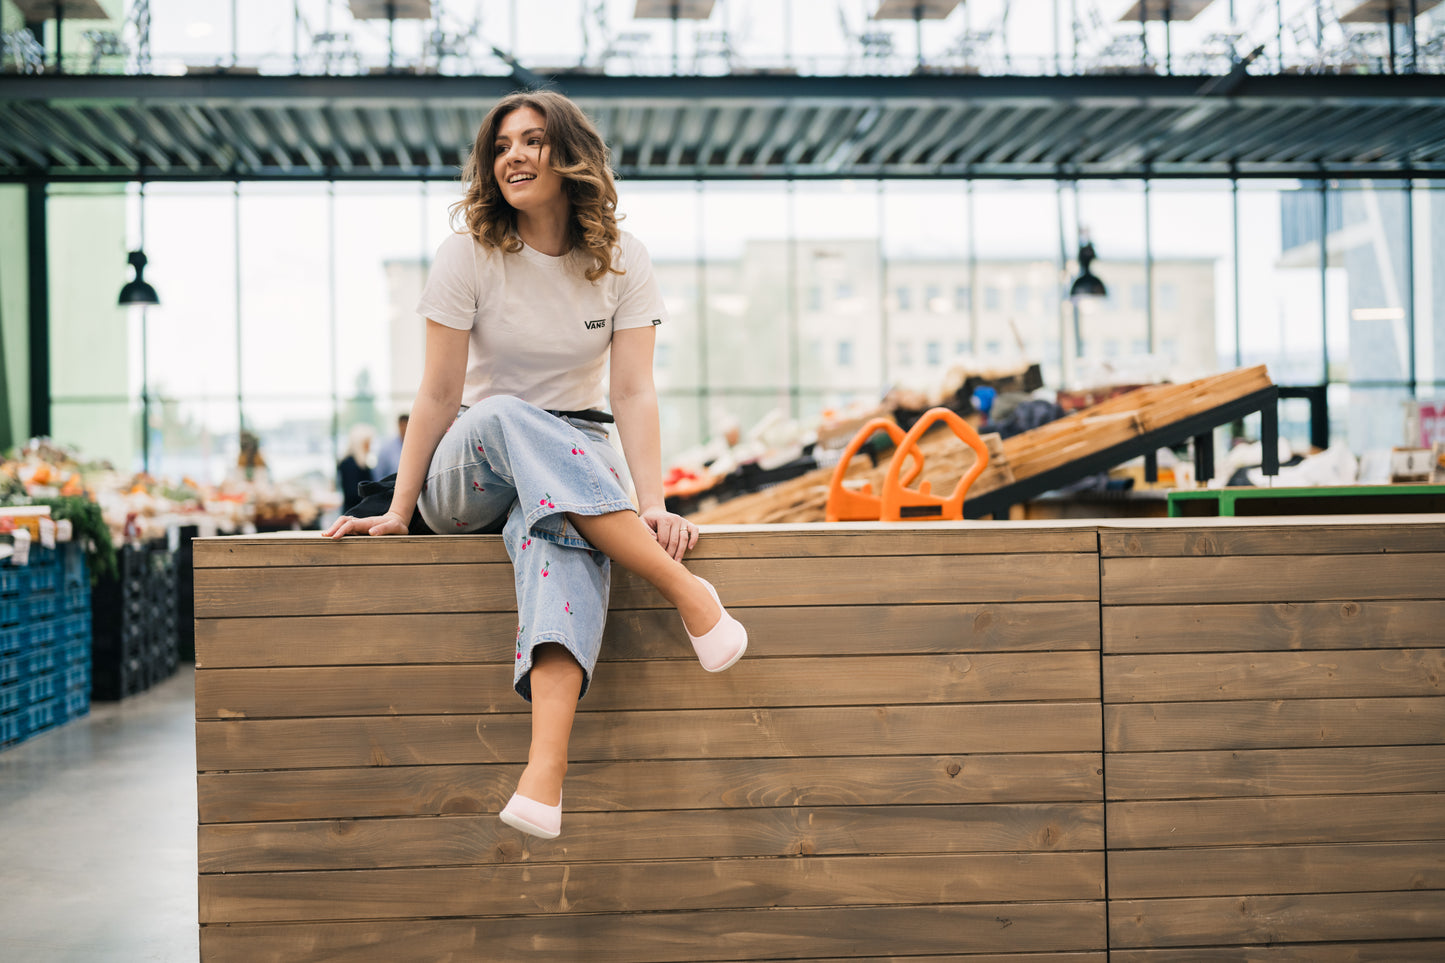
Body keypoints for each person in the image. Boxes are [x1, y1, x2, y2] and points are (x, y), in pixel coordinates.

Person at [323, 90, 747, 841]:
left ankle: (541, 778)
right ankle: (684, 588)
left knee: (558, 536)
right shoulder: (468, 255)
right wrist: (398, 509)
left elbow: (632, 390)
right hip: (471, 468)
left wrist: (651, 500)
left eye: (532, 140)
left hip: (576, 459)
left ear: (570, 153)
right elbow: (438, 392)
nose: (512, 155)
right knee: (507, 413)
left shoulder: (621, 261)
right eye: (500, 145)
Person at [336, 423, 374, 514]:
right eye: (367, 443)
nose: (369, 447)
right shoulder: (349, 464)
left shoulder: (360, 463)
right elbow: (352, 493)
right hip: (354, 513)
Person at [374, 414, 408, 479]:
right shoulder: (387, 448)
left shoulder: (417, 448)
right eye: (402, 425)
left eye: (406, 425)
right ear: (398, 425)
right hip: (391, 486)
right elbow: (379, 473)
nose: (404, 428)